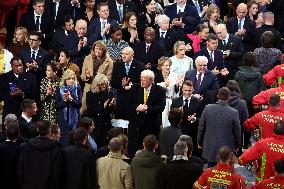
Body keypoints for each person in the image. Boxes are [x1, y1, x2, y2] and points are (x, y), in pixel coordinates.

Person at [198, 87, 241, 167]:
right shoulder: (233, 112)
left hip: (210, 146)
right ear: (228, 97)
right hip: (226, 149)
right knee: (226, 173)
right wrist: (237, 145)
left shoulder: (208, 108)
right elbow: (237, 131)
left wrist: (199, 141)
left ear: (217, 96)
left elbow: (201, 127)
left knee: (211, 171)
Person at [128, 70, 166, 157]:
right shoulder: (135, 88)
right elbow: (128, 104)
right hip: (136, 126)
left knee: (149, 153)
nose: (141, 81)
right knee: (134, 151)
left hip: (151, 126)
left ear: (151, 81)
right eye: (141, 79)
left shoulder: (160, 90)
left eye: (144, 80)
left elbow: (161, 107)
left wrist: (147, 108)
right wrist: (136, 108)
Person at [18, 121, 62, 189]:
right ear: (50, 132)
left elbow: (21, 169)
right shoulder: (55, 149)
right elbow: (56, 174)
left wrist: (24, 185)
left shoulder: (27, 146)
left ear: (38, 130)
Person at [111, 46, 145, 119]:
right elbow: (113, 83)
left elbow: (144, 83)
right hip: (121, 100)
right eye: (122, 54)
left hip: (134, 100)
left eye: (126, 54)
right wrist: (121, 85)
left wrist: (133, 86)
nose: (123, 56)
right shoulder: (117, 65)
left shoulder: (140, 66)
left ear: (132, 55)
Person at [171, 80, 203, 156]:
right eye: (185, 90)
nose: (187, 93)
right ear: (182, 89)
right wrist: (177, 113)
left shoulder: (198, 102)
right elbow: (171, 117)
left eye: (189, 90)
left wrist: (194, 119)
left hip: (193, 134)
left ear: (193, 90)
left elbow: (202, 118)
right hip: (179, 133)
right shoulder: (175, 101)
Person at [0, 57, 37, 123]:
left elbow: (34, 93)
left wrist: (22, 93)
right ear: (12, 66)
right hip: (10, 112)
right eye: (17, 66)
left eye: (21, 65)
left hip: (26, 113)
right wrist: (10, 95)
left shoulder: (31, 77)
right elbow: (1, 94)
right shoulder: (4, 78)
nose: (19, 67)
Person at [81, 40, 113, 113]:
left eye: (100, 49)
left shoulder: (109, 61)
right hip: (88, 89)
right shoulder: (87, 59)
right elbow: (82, 76)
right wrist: (88, 77)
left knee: (99, 111)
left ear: (104, 50)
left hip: (101, 91)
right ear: (93, 49)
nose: (98, 51)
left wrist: (98, 82)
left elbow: (108, 79)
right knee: (85, 112)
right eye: (96, 48)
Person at [234, 52, 266, 117]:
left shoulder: (238, 74)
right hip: (255, 104)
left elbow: (234, 90)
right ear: (254, 61)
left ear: (243, 60)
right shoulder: (259, 74)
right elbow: (262, 90)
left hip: (241, 103)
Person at [55, 69, 82, 147]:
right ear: (65, 80)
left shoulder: (78, 87)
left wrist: (71, 99)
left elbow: (79, 104)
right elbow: (57, 106)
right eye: (69, 78)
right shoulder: (59, 88)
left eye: (73, 78)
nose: (71, 80)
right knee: (64, 141)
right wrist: (65, 100)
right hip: (63, 119)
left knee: (74, 140)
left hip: (75, 118)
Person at [86, 74, 113, 147]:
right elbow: (90, 111)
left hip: (106, 124)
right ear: (97, 85)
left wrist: (110, 106)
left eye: (105, 84)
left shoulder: (109, 93)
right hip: (96, 125)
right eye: (101, 84)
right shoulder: (90, 94)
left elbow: (111, 111)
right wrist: (103, 107)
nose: (104, 86)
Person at [155, 57, 179, 127]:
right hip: (161, 102)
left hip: (172, 101)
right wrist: (165, 85)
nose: (168, 67)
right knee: (162, 122)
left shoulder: (174, 75)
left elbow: (176, 90)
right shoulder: (156, 76)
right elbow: (155, 91)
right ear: (161, 66)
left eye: (169, 65)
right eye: (166, 65)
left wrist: (177, 85)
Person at [226, 80, 249, 153]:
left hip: (224, 134)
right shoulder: (242, 103)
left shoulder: (222, 101)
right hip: (238, 135)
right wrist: (246, 144)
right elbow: (246, 122)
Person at [0, 122, 21, 189]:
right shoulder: (20, 149)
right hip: (16, 183)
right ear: (18, 134)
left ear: (6, 133)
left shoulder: (1, 147)